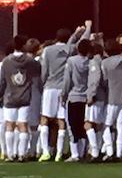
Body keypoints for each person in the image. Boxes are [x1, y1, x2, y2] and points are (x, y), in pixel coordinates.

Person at [38, 22, 90, 162]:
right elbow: (83, 42)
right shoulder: (70, 50)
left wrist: (42, 85)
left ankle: (46, 151)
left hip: (50, 87)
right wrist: (84, 30)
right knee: (61, 121)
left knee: (45, 119)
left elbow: (44, 71)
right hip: (63, 88)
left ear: (56, 37)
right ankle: (60, 153)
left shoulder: (47, 50)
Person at [0, 35, 41, 162]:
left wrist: (0, 96)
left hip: (10, 97)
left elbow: (2, 81)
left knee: (9, 125)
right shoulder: (29, 61)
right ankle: (22, 154)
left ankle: (10, 154)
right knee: (23, 125)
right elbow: (37, 69)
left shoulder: (6, 61)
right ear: (23, 46)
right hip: (25, 96)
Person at [61, 38, 91, 162]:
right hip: (86, 98)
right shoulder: (91, 62)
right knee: (83, 125)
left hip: (74, 97)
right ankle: (83, 151)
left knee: (72, 126)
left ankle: (75, 154)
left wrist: (64, 94)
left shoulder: (71, 61)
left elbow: (67, 80)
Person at [101, 39, 122, 160]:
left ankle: (109, 150)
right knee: (120, 125)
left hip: (112, 97)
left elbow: (105, 80)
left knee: (106, 126)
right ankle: (119, 153)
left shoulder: (105, 63)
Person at [84, 41, 107, 161]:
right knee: (98, 124)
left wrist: (91, 95)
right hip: (102, 96)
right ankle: (97, 148)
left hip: (96, 97)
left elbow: (95, 79)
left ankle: (94, 150)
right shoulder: (103, 61)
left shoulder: (94, 62)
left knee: (88, 123)